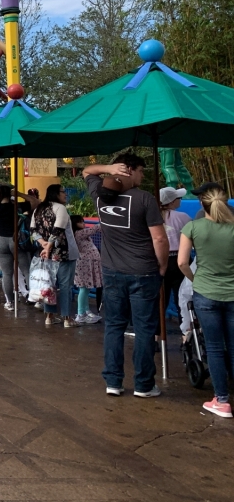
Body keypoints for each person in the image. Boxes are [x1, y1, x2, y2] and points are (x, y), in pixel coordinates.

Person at [84, 155, 167, 398]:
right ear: (129, 171)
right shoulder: (144, 199)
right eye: (140, 170)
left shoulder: (99, 196)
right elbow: (159, 238)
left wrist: (109, 168)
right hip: (144, 272)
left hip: (112, 272)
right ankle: (143, 384)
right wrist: (162, 266)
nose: (142, 175)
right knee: (143, 329)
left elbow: (88, 172)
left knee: (114, 326)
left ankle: (113, 381)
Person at [178, 187, 234, 418]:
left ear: (202, 205)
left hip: (205, 294)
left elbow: (182, 262)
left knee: (214, 348)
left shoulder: (193, 227)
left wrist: (196, 279)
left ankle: (222, 400)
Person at [29, 184, 78, 323]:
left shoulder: (38, 208)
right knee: (65, 285)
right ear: (56, 194)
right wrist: (49, 245)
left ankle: (49, 317)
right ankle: (67, 318)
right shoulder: (60, 208)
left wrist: (43, 244)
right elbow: (58, 229)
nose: (65, 194)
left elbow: (32, 230)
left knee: (49, 284)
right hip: (63, 252)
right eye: (63, 192)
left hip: (45, 253)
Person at [0, 184, 36, 311]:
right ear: (11, 194)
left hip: (1, 240)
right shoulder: (17, 206)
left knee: (7, 273)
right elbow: (35, 201)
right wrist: (19, 194)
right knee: (26, 270)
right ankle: (33, 298)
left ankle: (10, 302)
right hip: (16, 240)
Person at [160, 187, 191, 324]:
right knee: (183, 299)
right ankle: (187, 335)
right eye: (178, 198)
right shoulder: (183, 217)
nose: (180, 200)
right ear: (172, 202)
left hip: (159, 261)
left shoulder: (152, 217)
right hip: (180, 259)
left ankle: (156, 337)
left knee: (160, 300)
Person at [73, 215, 103, 324]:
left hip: (88, 264)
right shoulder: (79, 233)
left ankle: (85, 311)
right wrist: (106, 220)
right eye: (80, 222)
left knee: (86, 288)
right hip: (85, 265)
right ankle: (81, 313)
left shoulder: (80, 234)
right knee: (84, 288)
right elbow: (94, 229)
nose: (83, 224)